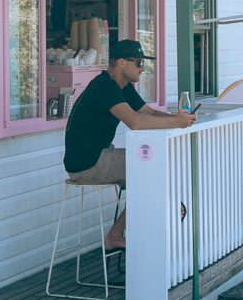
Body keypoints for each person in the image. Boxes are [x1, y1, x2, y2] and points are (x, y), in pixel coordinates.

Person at [63, 39, 196, 251]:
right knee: (151, 170)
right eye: (139, 62)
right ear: (122, 63)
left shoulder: (121, 86)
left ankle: (140, 234)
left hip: (101, 156)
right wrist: (176, 123)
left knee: (151, 173)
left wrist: (179, 119)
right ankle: (126, 236)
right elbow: (135, 122)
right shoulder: (104, 86)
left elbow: (147, 112)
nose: (143, 69)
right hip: (88, 163)